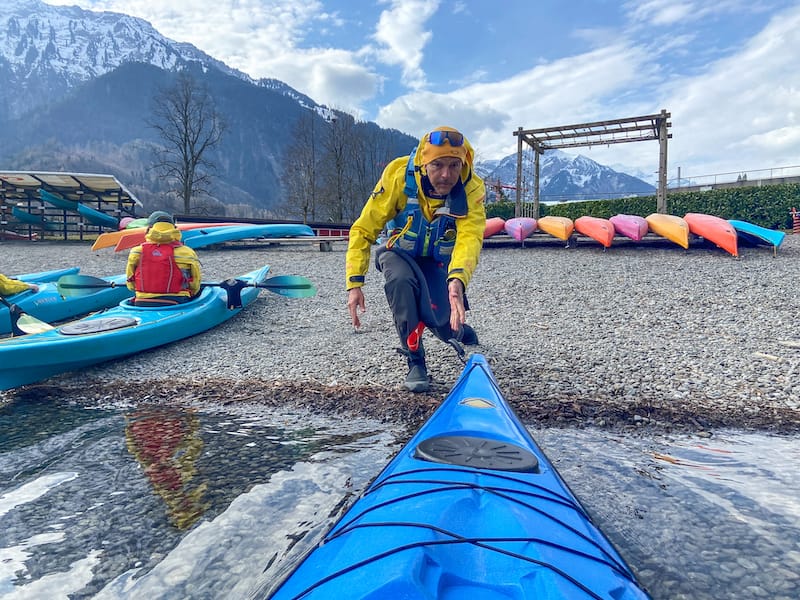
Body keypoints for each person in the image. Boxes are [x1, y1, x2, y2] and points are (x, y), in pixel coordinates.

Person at [346, 126, 486, 392]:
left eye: (454, 165)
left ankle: (458, 332)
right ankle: (415, 360)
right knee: (399, 282)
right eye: (438, 165)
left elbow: (470, 239)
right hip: (399, 253)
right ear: (424, 163)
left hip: (437, 260)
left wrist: (457, 281)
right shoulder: (398, 176)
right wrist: (355, 282)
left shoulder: (472, 188)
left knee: (444, 326)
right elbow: (364, 229)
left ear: (464, 163)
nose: (446, 175)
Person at [126, 211, 201, 306]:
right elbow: (195, 284)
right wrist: (193, 293)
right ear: (174, 228)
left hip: (142, 301)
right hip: (178, 300)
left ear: (149, 228)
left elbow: (130, 284)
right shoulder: (187, 252)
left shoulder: (136, 251)